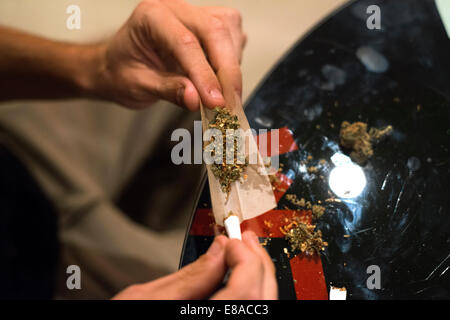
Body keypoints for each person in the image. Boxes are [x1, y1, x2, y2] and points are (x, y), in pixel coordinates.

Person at [0, 0, 277, 299]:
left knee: (178, 71)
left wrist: (94, 65)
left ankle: (148, 213)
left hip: (12, 155)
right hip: (36, 271)